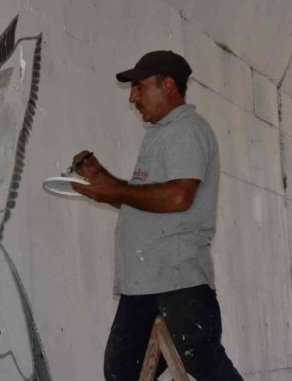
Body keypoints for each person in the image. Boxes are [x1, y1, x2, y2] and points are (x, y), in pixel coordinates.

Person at [71, 50, 242, 380]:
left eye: (139, 87)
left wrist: (116, 190)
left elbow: (179, 196)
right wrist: (104, 181)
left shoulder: (186, 130)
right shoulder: (162, 134)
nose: (133, 97)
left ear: (168, 85)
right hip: (146, 283)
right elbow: (148, 201)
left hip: (177, 279)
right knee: (123, 371)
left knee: (203, 364)